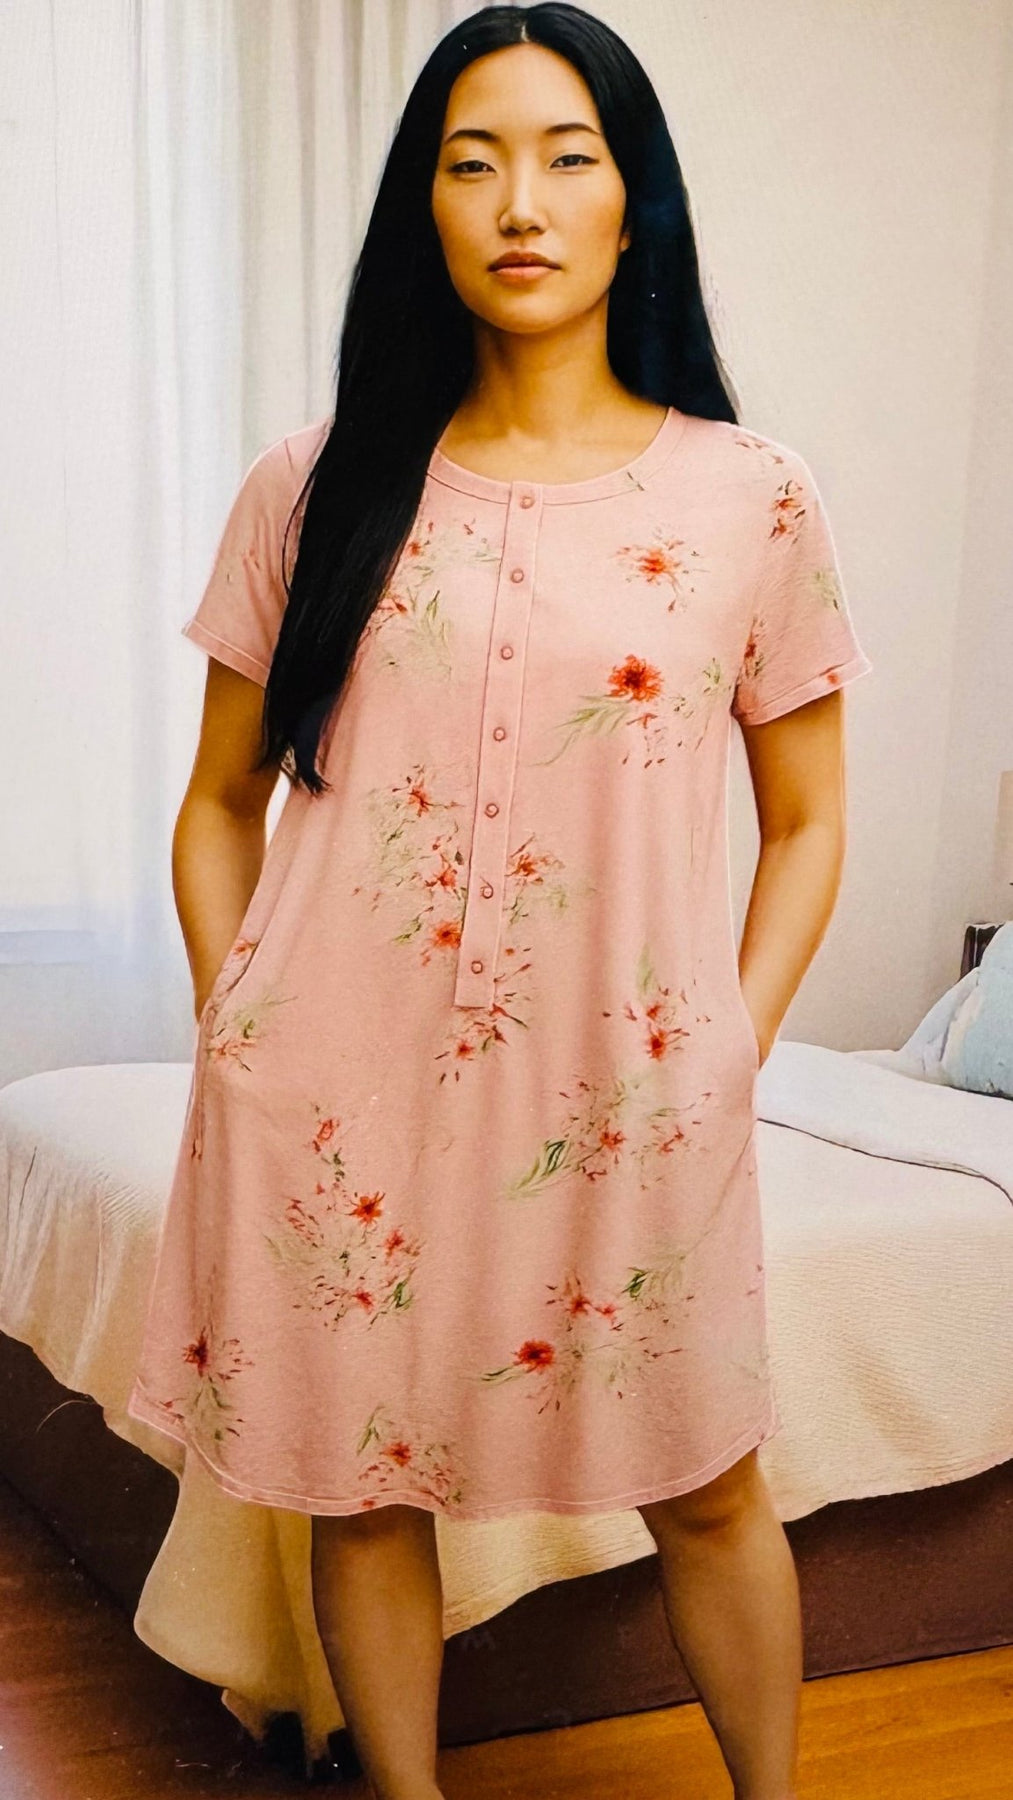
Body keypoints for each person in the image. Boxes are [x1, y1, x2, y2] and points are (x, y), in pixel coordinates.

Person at [126, 6, 873, 1798]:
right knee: (363, 1487)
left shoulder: (750, 497)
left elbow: (806, 821)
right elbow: (217, 804)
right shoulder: (313, 486)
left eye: (564, 156)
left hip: (629, 1094)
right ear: (426, 207)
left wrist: (730, 1043)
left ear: (632, 199)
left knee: (708, 1480)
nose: (518, 202)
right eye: (471, 163)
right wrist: (238, 1025)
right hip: (334, 1095)